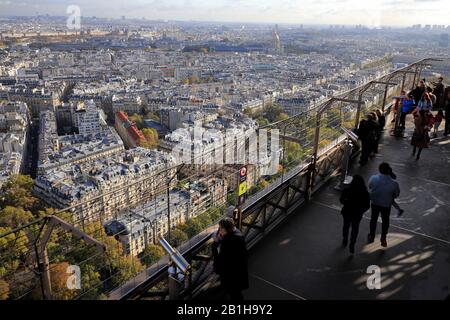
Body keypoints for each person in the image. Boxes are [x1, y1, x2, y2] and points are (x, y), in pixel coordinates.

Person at [213, 218, 249, 301]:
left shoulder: (228, 241)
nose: (219, 230)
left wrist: (215, 243)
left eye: (221, 228)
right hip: (239, 271)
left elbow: (221, 258)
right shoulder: (237, 234)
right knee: (237, 293)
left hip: (231, 274)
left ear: (226, 229)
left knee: (235, 294)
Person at [367, 163, 400, 247]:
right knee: (385, 221)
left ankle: (371, 236)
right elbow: (396, 195)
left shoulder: (373, 178)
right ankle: (383, 238)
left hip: (375, 202)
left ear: (379, 169)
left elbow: (370, 187)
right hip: (386, 205)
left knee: (373, 219)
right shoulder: (394, 184)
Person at [339, 175, 370, 254]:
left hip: (347, 211)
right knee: (355, 228)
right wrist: (361, 211)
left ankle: (345, 239)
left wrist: (346, 202)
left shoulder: (347, 190)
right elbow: (367, 206)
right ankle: (352, 244)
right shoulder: (365, 193)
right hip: (357, 214)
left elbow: (341, 200)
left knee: (346, 226)